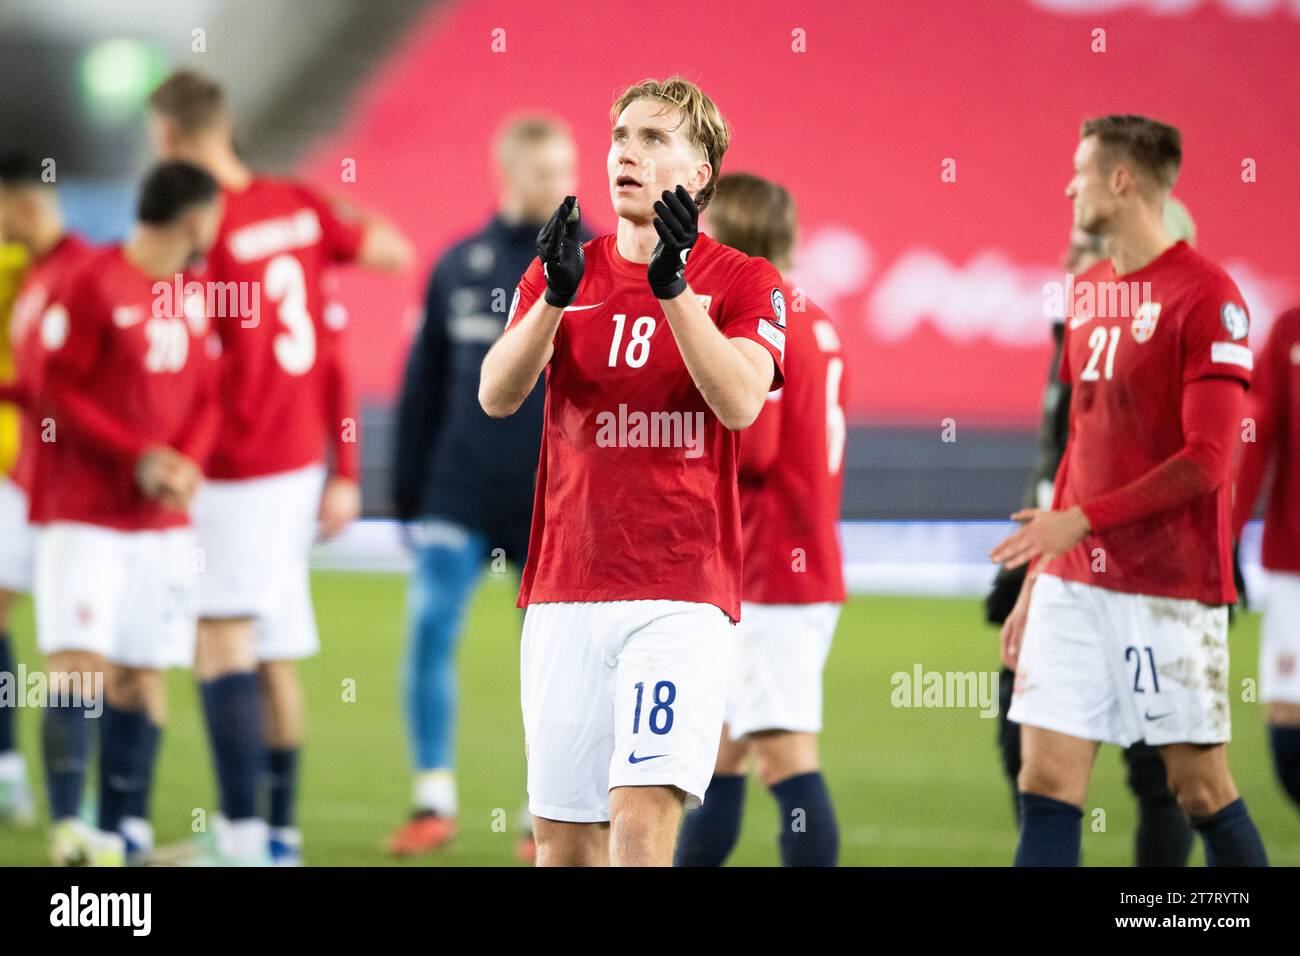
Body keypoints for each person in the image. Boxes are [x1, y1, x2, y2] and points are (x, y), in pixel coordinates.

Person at [479, 76, 787, 866]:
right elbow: (497, 394)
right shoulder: (563, 271)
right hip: (563, 588)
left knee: (640, 822)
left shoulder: (745, 280)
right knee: (562, 843)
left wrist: (673, 288)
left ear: (700, 174)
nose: (628, 152)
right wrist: (549, 297)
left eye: (655, 140)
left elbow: (742, 401)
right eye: (621, 136)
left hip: (678, 592)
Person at [148, 69, 414, 865]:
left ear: (168, 138)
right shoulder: (297, 207)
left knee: (219, 642)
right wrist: (345, 466)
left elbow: (195, 364)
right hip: (297, 460)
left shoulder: (200, 224)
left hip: (235, 464)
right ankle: (277, 834)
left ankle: (238, 838)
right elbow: (388, 255)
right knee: (266, 647)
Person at [992, 115, 1267, 867]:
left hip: (1169, 586)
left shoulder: (1210, 297)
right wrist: (1038, 578)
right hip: (1073, 583)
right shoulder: (1085, 294)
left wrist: (1080, 520)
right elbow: (1080, 439)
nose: (1068, 184)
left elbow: (1209, 461)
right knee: (1044, 778)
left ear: (1121, 180)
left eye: (1079, 170)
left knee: (1199, 790)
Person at [987, 199, 1200, 867]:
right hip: (1058, 567)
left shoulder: (1165, 338)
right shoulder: (1075, 335)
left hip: (1143, 579)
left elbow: (1199, 465)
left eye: (1083, 249)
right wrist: (1025, 575)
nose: (1066, 262)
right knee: (1033, 764)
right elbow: (1064, 465)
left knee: (1182, 784)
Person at [388, 116, 579, 858]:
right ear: (507, 173)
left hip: (554, 496)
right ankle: (433, 800)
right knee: (432, 630)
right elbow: (425, 384)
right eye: (541, 171)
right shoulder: (458, 264)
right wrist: (407, 490)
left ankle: (543, 815)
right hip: (457, 490)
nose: (558, 184)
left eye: (565, 168)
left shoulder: (598, 261)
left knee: (552, 657)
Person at [33, 160, 223, 865]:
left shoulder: (196, 293)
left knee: (142, 674)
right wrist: (137, 457)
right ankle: (69, 832)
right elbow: (55, 393)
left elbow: (208, 393)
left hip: (162, 528)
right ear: (196, 219)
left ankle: (124, 832)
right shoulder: (92, 281)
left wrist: (188, 464)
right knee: (79, 669)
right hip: (86, 517)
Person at [674, 173, 845, 867]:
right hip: (787, 562)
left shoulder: (765, 319)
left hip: (775, 569)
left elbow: (758, 447)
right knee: (720, 755)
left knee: (784, 757)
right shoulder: (816, 315)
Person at [0, 151, 98, 835]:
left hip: (78, 494)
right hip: (21, 478)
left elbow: (66, 388)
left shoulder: (85, 276)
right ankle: (11, 772)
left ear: (25, 204)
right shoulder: (22, 273)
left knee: (86, 654)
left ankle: (91, 806)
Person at [1234, 305, 1300, 817]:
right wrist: (1225, 534)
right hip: (1292, 564)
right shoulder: (1290, 332)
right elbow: (1255, 436)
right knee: (1288, 731)